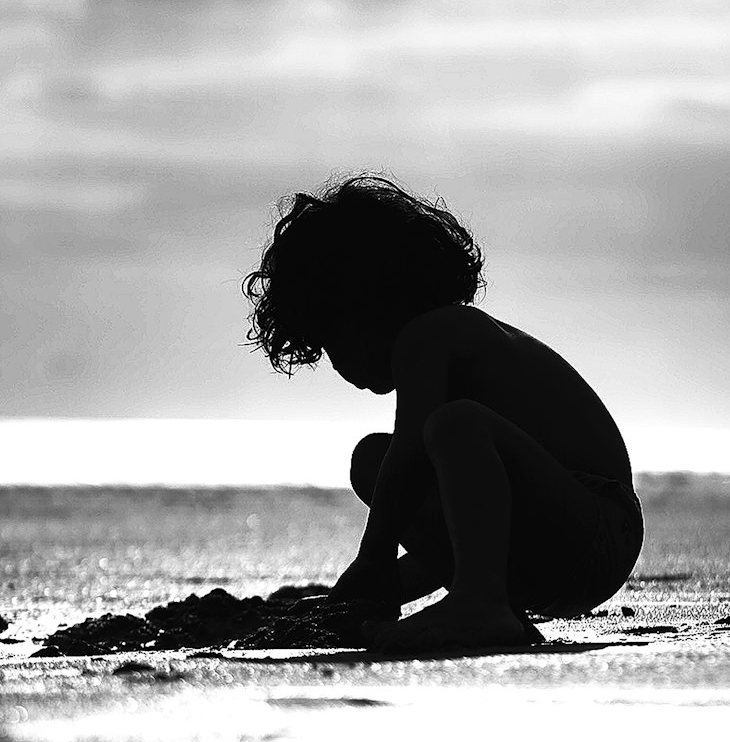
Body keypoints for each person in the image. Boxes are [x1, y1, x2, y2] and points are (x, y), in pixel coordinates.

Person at [244, 175, 643, 656]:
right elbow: (473, 517)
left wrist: (373, 557)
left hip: (599, 524)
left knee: (447, 431)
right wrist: (379, 588)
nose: (337, 366)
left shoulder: (431, 336)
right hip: (553, 545)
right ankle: (491, 604)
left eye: (331, 342)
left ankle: (482, 602)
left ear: (363, 304)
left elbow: (410, 455)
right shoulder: (437, 346)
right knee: (376, 458)